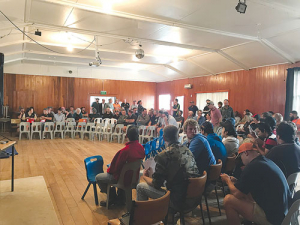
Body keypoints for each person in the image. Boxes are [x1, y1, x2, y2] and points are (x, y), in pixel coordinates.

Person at [220, 143, 291, 225]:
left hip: (273, 218)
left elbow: (237, 193)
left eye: (240, 156)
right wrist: (235, 181)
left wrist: (227, 180)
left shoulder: (252, 166)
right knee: (246, 194)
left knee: (228, 200)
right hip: (284, 212)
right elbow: (245, 187)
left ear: (246, 153)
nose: (241, 161)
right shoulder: (265, 161)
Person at [136, 125, 199, 211]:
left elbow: (156, 184)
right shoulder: (188, 150)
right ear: (178, 136)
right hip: (194, 196)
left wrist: (145, 177)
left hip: (177, 200)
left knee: (140, 187)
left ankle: (143, 218)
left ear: (164, 138)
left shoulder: (163, 155)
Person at [96, 126, 145, 207]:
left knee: (99, 177)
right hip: (134, 177)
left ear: (126, 136)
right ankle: (121, 198)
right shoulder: (141, 148)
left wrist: (109, 170)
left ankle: (112, 198)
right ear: (138, 135)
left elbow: (114, 169)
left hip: (123, 179)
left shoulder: (124, 151)